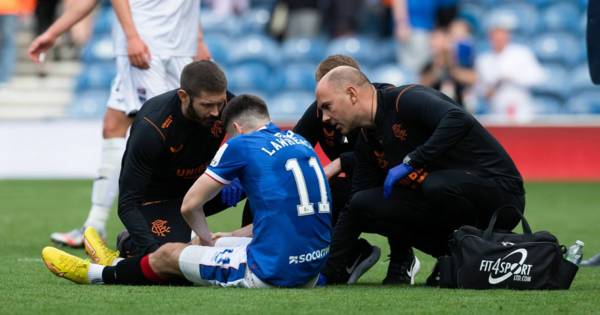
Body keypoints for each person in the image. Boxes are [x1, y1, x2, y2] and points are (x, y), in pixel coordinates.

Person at [41, 94, 332, 288]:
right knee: (212, 243)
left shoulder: (241, 143)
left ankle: (99, 272)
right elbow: (282, 216)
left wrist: (204, 239)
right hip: (312, 268)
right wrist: (225, 238)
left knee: (171, 254)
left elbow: (189, 205)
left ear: (237, 128)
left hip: (271, 271)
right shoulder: (298, 141)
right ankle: (120, 259)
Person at [315, 66, 526, 285]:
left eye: (327, 107)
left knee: (435, 185)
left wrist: (413, 161)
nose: (324, 118)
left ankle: (469, 251)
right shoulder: (367, 139)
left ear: (351, 94)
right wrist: (325, 273)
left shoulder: (405, 99)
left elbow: (458, 119)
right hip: (444, 197)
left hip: (502, 194)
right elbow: (356, 206)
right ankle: (452, 257)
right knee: (364, 203)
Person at [28, 0, 213, 247]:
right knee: (114, 125)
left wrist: (134, 37)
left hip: (151, 46)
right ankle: (94, 225)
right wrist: (54, 33)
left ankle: (172, 223)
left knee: (162, 132)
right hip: (163, 44)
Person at [293, 55, 412, 285]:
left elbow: (392, 150)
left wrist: (341, 163)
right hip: (356, 183)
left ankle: (402, 259)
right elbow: (294, 145)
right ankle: (351, 254)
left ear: (350, 92)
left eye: (328, 101)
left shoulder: (383, 102)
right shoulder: (320, 111)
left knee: (396, 191)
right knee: (319, 193)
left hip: (389, 181)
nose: (324, 110)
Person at [112, 60, 243, 258]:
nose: (217, 112)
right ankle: (128, 242)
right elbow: (127, 204)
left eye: (220, 103)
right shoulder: (152, 128)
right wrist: (156, 257)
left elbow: (260, 145)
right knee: (173, 257)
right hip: (157, 201)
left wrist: (239, 173)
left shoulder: (230, 107)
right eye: (207, 105)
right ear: (183, 96)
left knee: (264, 177)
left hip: (199, 193)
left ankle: (258, 243)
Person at [475, 19, 545, 122]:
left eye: (502, 34)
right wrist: (492, 86)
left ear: (508, 35)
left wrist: (512, 77)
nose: (499, 38)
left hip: (522, 113)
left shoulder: (522, 53)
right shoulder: (483, 60)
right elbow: (480, 89)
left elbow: (538, 77)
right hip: (496, 113)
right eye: (495, 34)